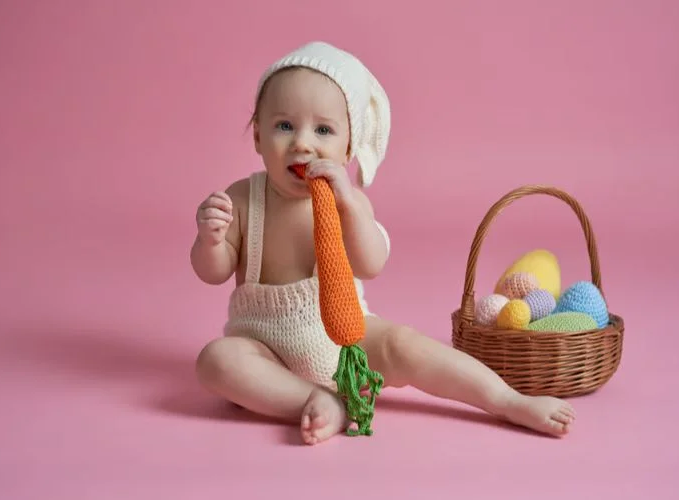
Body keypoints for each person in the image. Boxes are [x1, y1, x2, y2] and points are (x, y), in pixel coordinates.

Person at [192, 41, 576, 445]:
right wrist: (210, 239)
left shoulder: (349, 201)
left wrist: (351, 209)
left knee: (404, 344)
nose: (302, 143)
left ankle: (507, 400)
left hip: (347, 341)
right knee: (217, 360)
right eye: (284, 125)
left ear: (348, 147)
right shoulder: (242, 198)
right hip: (265, 348)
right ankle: (317, 400)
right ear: (257, 136)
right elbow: (213, 271)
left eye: (323, 130)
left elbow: (371, 262)